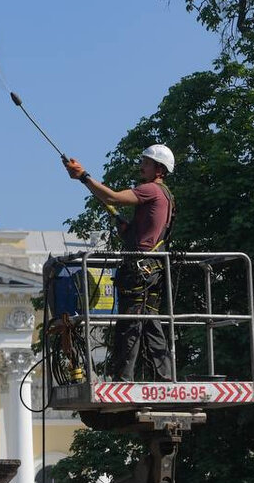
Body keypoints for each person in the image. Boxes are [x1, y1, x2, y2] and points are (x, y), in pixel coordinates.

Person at [64, 145, 176, 381]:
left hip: (141, 270)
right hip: (151, 269)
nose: (141, 166)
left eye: (146, 163)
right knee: (150, 322)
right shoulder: (165, 196)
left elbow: (113, 196)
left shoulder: (151, 190)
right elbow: (146, 233)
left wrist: (84, 176)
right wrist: (126, 229)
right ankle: (165, 377)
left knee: (130, 323)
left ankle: (123, 379)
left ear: (159, 169)